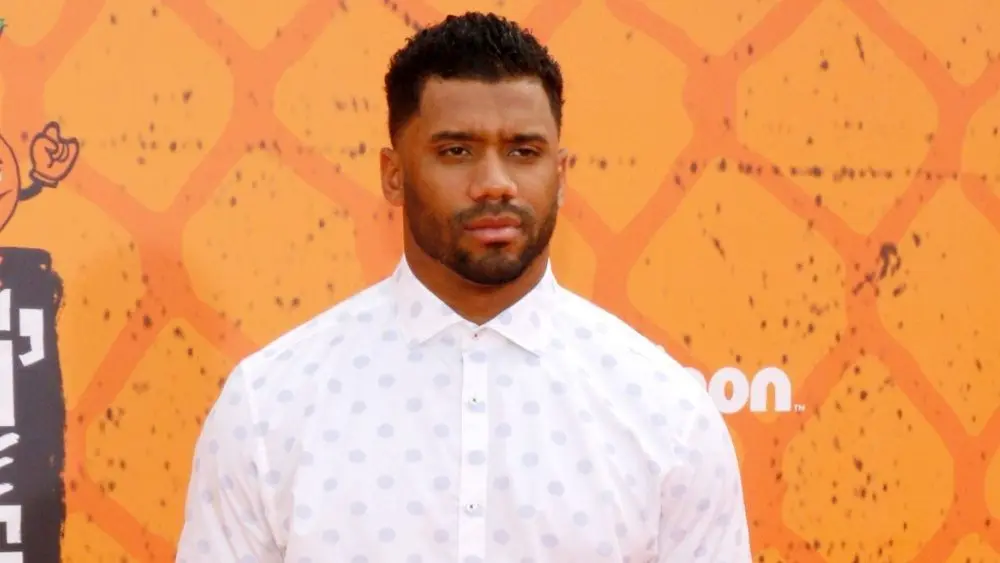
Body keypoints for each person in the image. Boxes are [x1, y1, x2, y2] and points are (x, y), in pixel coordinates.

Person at [175, 11, 751, 563]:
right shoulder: (272, 403)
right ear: (393, 174)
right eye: (456, 151)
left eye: (524, 152)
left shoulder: (666, 413)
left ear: (561, 174)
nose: (494, 184)